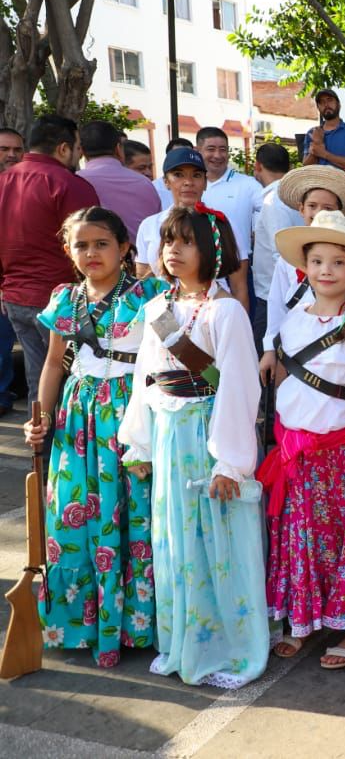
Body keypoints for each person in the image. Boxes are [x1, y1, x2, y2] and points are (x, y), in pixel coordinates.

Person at [118, 205, 268, 688]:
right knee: (175, 541)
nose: (173, 250)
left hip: (207, 433)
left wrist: (230, 461)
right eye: (167, 241)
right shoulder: (158, 308)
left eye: (186, 241)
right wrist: (137, 441)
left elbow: (240, 387)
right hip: (165, 434)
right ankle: (184, 640)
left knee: (216, 541)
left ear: (212, 250)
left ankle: (230, 646)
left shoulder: (226, 311)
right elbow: (144, 377)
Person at [20, 207, 166, 667]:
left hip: (132, 415)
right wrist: (39, 416)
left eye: (102, 243)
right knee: (72, 516)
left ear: (124, 248)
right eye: (80, 245)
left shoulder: (149, 294)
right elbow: (52, 364)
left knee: (135, 514)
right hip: (76, 420)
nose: (91, 253)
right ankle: (81, 625)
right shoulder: (65, 299)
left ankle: (138, 626)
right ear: (68, 251)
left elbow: (180, 349)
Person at [258, 211, 345, 669]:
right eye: (317, 261)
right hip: (298, 454)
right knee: (303, 537)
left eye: (338, 262)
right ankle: (304, 618)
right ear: (304, 268)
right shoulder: (290, 321)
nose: (326, 271)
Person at [0, 114, 100, 404]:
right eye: (77, 146)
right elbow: (91, 246)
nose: (79, 153)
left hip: (16, 297)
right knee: (75, 382)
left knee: (39, 380)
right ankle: (64, 445)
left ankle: (40, 446)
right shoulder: (69, 184)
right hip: (61, 298)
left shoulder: (4, 181)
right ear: (64, 148)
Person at [259, 166, 345, 366]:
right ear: (301, 208)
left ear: (341, 213)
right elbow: (276, 305)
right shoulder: (287, 259)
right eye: (312, 206)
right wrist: (270, 348)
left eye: (328, 208)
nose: (318, 213)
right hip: (295, 343)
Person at [135, 148, 252, 313]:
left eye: (196, 175)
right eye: (178, 175)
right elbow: (144, 280)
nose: (188, 182)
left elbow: (239, 286)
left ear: (205, 182)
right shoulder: (150, 225)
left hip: (213, 312)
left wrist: (240, 325)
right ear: (166, 182)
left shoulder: (223, 224)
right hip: (164, 314)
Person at [77, 120, 161, 240]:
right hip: (141, 256)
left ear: (81, 151)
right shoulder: (144, 183)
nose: (148, 172)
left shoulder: (76, 181)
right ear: (118, 149)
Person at [249, 142, 296, 345]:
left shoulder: (274, 201)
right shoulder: (292, 195)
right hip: (286, 293)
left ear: (257, 166)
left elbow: (281, 254)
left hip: (275, 297)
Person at [196, 127, 261, 255]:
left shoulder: (248, 184)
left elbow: (270, 212)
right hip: (200, 262)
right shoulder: (191, 186)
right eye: (211, 149)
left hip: (238, 264)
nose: (217, 155)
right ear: (197, 151)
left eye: (223, 150)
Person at [0, 125, 24, 416]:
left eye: (17, 149)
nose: (11, 155)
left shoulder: (27, 185)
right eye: (4, 149)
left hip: (22, 278)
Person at [301, 88, 345, 169]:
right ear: (318, 108)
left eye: (330, 100)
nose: (326, 105)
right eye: (321, 102)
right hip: (318, 181)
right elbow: (306, 168)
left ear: (339, 104)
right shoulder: (312, 133)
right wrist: (317, 143)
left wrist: (324, 154)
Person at [152, 137, 193, 209]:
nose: (183, 159)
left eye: (187, 155)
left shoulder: (198, 185)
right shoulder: (153, 189)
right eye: (178, 155)